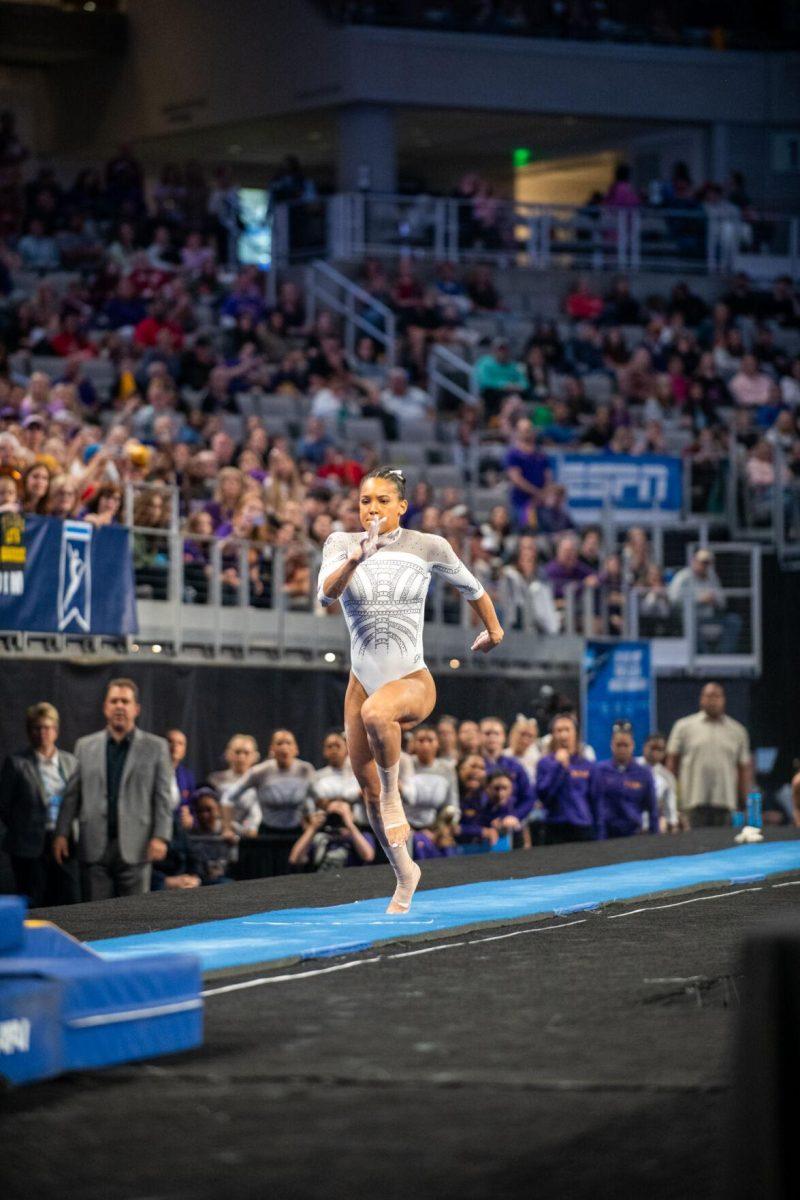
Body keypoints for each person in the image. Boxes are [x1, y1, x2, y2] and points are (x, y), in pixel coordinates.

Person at [317, 466, 504, 912]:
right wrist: (356, 558)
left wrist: (494, 630)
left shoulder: (428, 545)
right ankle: (406, 873)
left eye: (383, 501)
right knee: (365, 790)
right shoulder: (342, 543)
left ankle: (394, 792)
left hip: (413, 679)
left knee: (379, 719)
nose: (373, 509)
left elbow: (473, 588)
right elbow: (325, 596)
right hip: (360, 682)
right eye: (365, 501)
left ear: (402, 506)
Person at [53, 679, 172, 899]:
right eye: (114, 701)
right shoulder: (84, 746)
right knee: (96, 918)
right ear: (105, 708)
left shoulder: (157, 747)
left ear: (136, 709)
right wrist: (61, 833)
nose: (119, 706)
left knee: (135, 918)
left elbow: (163, 798)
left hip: (137, 846)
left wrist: (161, 837)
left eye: (125, 701)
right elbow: (72, 796)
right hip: (93, 845)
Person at [0, 702, 79, 907]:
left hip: (64, 842)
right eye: (37, 727)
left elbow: (78, 802)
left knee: (68, 900)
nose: (42, 732)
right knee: (35, 904)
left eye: (47, 727)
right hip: (29, 846)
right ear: (29, 731)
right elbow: (4, 806)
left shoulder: (71, 762)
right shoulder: (16, 763)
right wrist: (25, 827)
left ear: (56, 730)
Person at [223, 728, 315, 876]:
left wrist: (313, 821)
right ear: (272, 749)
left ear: (296, 749)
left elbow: (317, 800)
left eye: (288, 743)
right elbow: (228, 797)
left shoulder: (306, 770)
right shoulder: (260, 772)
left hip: (296, 837)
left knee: (299, 883)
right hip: (267, 837)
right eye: (279, 743)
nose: (284, 747)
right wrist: (227, 828)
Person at [666, 682, 751, 828]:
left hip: (725, 802)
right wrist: (671, 802)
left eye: (717, 696)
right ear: (701, 699)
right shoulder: (683, 727)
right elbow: (672, 765)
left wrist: (745, 803)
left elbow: (743, 770)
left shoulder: (738, 731)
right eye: (709, 696)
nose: (713, 700)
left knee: (726, 848)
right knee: (693, 847)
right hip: (692, 802)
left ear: (724, 700)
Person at [535, 714, 598, 844]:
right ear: (552, 735)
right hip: (555, 826)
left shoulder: (587, 764)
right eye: (559, 730)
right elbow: (543, 795)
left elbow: (596, 800)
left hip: (582, 826)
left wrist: (600, 832)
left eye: (567, 730)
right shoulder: (545, 763)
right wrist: (558, 766)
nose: (563, 735)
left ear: (575, 733)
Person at [668, 548, 741, 654]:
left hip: (709, 617)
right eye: (702, 562)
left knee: (734, 620)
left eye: (707, 563)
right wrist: (699, 600)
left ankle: (722, 655)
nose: (704, 566)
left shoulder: (712, 578)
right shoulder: (683, 577)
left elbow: (723, 602)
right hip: (690, 618)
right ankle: (704, 655)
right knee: (691, 621)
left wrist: (715, 601)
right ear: (694, 561)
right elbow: (673, 599)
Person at [593, 722, 659, 839]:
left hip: (634, 835)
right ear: (612, 745)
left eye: (625, 745)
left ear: (632, 745)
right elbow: (595, 804)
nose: (622, 749)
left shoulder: (643, 773)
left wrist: (655, 838)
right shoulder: (600, 771)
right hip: (607, 834)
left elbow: (652, 810)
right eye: (619, 745)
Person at [407, 725, 459, 858]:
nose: (425, 745)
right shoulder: (405, 764)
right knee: (420, 844)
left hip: (436, 826)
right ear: (413, 744)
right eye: (421, 740)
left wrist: (443, 830)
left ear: (437, 744)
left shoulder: (447, 769)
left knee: (448, 850)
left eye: (430, 740)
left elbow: (452, 805)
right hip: (407, 828)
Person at [289, 797, 375, 872]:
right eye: (333, 814)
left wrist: (350, 825)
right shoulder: (318, 837)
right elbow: (295, 859)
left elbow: (368, 856)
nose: (337, 818)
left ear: (352, 816)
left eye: (341, 815)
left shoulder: (362, 835)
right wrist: (312, 828)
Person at [639, 733, 679, 833]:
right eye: (652, 748)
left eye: (660, 749)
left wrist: (672, 826)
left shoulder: (667, 777)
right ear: (644, 747)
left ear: (664, 752)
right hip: (628, 825)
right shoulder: (633, 766)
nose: (655, 752)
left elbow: (671, 810)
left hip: (651, 828)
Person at [166, 728, 196, 813]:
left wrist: (190, 818)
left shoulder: (188, 776)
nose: (175, 746)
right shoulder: (151, 772)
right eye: (170, 741)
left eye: (180, 743)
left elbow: (192, 805)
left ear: (184, 751)